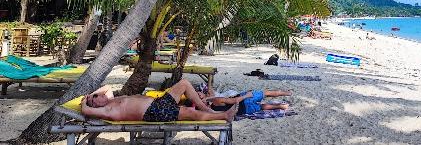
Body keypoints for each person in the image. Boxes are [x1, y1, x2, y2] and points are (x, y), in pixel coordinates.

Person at [81, 79, 237, 122]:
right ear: (95, 107)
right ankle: (224, 116)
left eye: (97, 96)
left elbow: (107, 87)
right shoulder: (107, 110)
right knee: (188, 111)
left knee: (184, 83)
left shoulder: (110, 100)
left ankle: (207, 109)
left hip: (158, 103)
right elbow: (86, 110)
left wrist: (91, 94)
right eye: (95, 100)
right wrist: (85, 102)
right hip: (152, 113)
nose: (98, 97)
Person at [207, 89, 292, 116]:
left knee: (261, 107)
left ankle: (281, 106)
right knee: (265, 93)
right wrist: (246, 95)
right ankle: (288, 93)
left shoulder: (209, 112)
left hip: (242, 111)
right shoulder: (216, 100)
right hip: (244, 100)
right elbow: (235, 100)